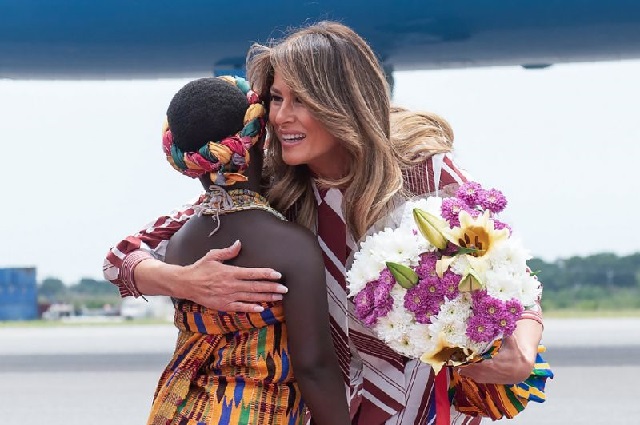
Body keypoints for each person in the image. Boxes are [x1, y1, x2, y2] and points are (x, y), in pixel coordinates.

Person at [103, 21, 543, 424]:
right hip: (331, 407)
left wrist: (523, 349)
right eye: (276, 98)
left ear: (343, 102)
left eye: (302, 100)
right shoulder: (271, 184)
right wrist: (182, 282)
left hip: (424, 402)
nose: (281, 117)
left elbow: (512, 279)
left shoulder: (424, 173)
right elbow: (121, 257)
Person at [141, 76, 350, 424]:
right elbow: (314, 367)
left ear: (188, 162)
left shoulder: (178, 245)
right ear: (260, 135)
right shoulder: (290, 244)